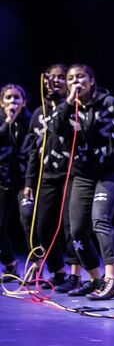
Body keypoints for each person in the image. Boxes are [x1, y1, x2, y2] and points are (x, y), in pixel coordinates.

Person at [57, 64, 114, 300]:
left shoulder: (108, 103)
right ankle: (95, 277)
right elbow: (56, 129)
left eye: (81, 77)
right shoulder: (68, 108)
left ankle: (112, 280)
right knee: (76, 230)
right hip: (82, 174)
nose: (77, 81)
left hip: (109, 173)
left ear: (91, 80)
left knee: (100, 220)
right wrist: (69, 101)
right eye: (72, 78)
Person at [23, 65, 74, 290]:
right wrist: (28, 182)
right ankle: (58, 271)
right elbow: (34, 150)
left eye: (60, 78)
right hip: (47, 176)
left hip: (71, 173)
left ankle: (77, 274)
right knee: (43, 226)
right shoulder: (38, 113)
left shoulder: (74, 108)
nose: (54, 81)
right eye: (50, 78)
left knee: (70, 226)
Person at [0, 85, 32, 278]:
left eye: (17, 98)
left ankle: (37, 265)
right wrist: (7, 121)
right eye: (9, 98)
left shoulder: (31, 121)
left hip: (24, 181)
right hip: (3, 180)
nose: (13, 102)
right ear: (2, 103)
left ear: (24, 102)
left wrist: (29, 181)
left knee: (28, 218)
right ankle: (10, 264)